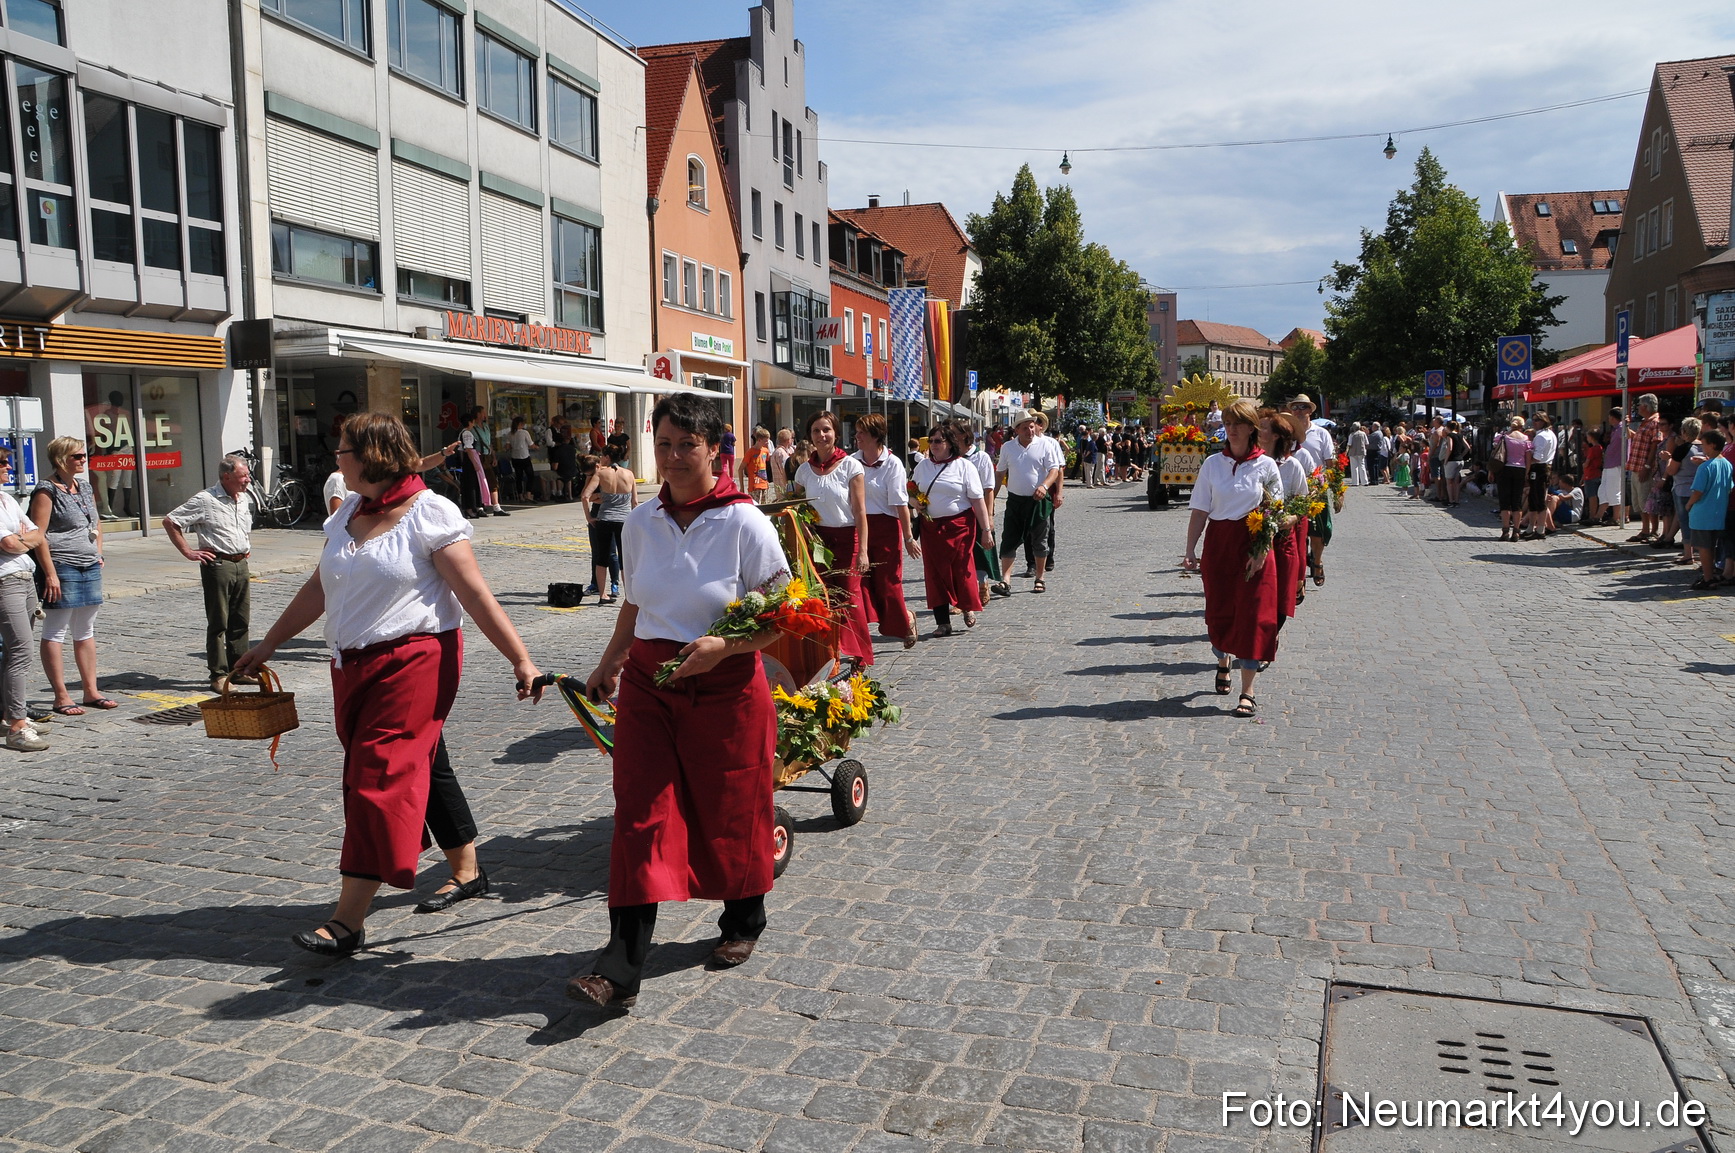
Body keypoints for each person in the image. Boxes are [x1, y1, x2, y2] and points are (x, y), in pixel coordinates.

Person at [230, 413, 544, 956]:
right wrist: (269, 643)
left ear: (372, 455)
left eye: (344, 449)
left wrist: (521, 659)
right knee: (420, 760)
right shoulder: (347, 512)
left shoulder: (429, 513)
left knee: (379, 777)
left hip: (414, 661)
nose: (337, 458)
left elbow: (474, 594)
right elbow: (320, 586)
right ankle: (467, 868)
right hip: (351, 668)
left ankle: (349, 919)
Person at [567, 393, 789, 1009]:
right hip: (650, 685)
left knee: (733, 808)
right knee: (641, 812)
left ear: (714, 448)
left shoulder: (746, 523)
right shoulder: (640, 522)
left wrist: (723, 645)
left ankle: (744, 920)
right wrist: (610, 663)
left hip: (726, 685)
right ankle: (619, 967)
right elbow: (634, 603)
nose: (671, 457)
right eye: (662, 444)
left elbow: (784, 618)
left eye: (685, 445)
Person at [1183, 400, 1282, 718]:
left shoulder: (1267, 466)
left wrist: (1262, 550)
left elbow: (1275, 513)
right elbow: (1200, 509)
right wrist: (1190, 549)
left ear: (1253, 428)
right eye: (1228, 422)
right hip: (1220, 546)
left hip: (1254, 547)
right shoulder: (1212, 464)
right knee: (1220, 613)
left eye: (1239, 422)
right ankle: (1223, 657)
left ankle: (1248, 691)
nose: (1233, 429)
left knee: (1254, 617)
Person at [29, 438, 115, 716]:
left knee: (85, 629)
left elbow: (96, 522)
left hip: (88, 563)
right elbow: (38, 535)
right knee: (56, 629)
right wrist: (50, 573)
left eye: (84, 454)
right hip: (62, 564)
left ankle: (91, 690)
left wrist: (98, 552)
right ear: (61, 459)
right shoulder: (45, 490)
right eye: (77, 455)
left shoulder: (85, 486)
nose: (83, 459)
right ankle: (61, 695)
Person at [164, 454, 256, 692]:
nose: (247, 480)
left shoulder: (243, 498)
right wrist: (189, 552)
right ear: (226, 477)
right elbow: (171, 521)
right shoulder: (205, 499)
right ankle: (218, 674)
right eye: (242, 476)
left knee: (241, 620)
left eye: (247, 475)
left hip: (241, 563)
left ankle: (239, 670)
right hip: (218, 565)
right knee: (219, 622)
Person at [794, 411, 874, 667]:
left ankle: (860, 655)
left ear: (836, 434)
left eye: (826, 430)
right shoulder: (804, 471)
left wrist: (863, 550)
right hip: (818, 543)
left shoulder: (851, 466)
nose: (821, 435)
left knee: (851, 598)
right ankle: (831, 654)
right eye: (816, 430)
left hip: (847, 538)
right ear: (810, 436)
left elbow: (860, 510)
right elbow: (795, 507)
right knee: (825, 599)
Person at [912, 422, 993, 638]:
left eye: (938, 441)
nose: (933, 445)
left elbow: (977, 501)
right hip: (931, 528)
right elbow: (908, 490)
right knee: (935, 573)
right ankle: (942, 622)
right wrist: (914, 502)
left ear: (949, 443)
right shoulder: (922, 467)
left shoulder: (964, 467)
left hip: (960, 527)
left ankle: (967, 607)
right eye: (931, 441)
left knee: (961, 568)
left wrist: (986, 529)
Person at [851, 414, 917, 649]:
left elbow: (901, 504)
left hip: (886, 528)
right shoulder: (852, 461)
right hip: (859, 527)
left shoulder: (892, 463)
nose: (856, 436)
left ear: (876, 436)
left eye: (861, 433)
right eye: (857, 432)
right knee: (861, 583)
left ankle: (905, 621)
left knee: (888, 582)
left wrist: (908, 537)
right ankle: (862, 633)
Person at [0, 448, 47, 750]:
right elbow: (9, 543)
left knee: (13, 653)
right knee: (20, 651)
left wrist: (23, 539)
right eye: (1, 462)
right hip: (5, 582)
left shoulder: (7, 499)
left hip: (25, 578)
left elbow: (37, 534)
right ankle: (17, 725)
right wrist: (21, 540)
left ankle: (7, 715)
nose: (7, 467)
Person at [997, 410, 1064, 594]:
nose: (1030, 431)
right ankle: (1005, 581)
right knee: (1009, 540)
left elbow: (1054, 470)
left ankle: (1040, 578)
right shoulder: (1008, 448)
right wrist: (991, 499)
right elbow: (1000, 474)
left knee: (1040, 541)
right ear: (1017, 430)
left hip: (1038, 501)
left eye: (1032, 426)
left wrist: (1045, 486)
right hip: (1015, 501)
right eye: (1025, 428)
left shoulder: (1045, 445)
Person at [1257, 409, 1309, 620]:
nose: (1257, 430)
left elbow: (1303, 499)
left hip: (1283, 534)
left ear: (1276, 435)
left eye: (1263, 427)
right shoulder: (1250, 463)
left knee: (1282, 589)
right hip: (1255, 533)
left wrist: (1293, 518)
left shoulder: (1292, 465)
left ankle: (1273, 630)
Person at [582, 440, 637, 606]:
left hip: (605, 519)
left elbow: (585, 496)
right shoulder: (629, 474)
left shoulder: (601, 474)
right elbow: (634, 502)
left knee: (602, 558)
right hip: (624, 521)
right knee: (625, 559)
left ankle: (603, 594)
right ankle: (630, 596)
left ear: (607, 457)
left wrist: (589, 518)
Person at [1287, 395, 1335, 585]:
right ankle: (1298, 571)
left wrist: (1336, 491)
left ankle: (1316, 561)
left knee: (1318, 531)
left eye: (1302, 407)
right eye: (1295, 407)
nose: (1298, 410)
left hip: (1316, 486)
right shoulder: (1287, 432)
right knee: (1297, 532)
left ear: (1310, 411)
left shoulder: (1321, 433)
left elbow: (1330, 463)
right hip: (1292, 488)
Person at [964, 432, 1010, 603]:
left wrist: (989, 515)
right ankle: (963, 594)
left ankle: (982, 584)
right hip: (959, 512)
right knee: (962, 553)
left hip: (978, 509)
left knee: (981, 550)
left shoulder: (980, 457)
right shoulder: (951, 457)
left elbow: (989, 488)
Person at [1685, 429, 1732, 590]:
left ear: (1712, 445)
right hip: (1718, 512)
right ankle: (1710, 575)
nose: (1702, 447)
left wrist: (1689, 504)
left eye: (1704, 444)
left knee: (1704, 547)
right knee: (1712, 546)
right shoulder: (1727, 464)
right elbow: (1730, 487)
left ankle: (1708, 577)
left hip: (1703, 513)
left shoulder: (1704, 467)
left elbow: (1698, 491)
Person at [1626, 394, 1664, 541]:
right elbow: (1639, 438)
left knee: (1648, 501)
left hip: (1645, 468)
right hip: (1636, 466)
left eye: (1639, 404)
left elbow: (1655, 444)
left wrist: (1647, 466)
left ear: (1646, 406)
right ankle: (1645, 529)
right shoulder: (1645, 422)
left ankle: (1653, 531)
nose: (1637, 407)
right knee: (1640, 502)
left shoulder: (1655, 422)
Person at [1492, 416, 1530, 542]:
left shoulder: (1503, 437)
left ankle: (1505, 530)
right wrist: (1526, 472)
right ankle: (1516, 532)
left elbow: (1495, 454)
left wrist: (1491, 471)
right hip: (1520, 470)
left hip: (1505, 469)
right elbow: (1528, 457)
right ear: (1522, 425)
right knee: (1517, 502)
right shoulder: (1526, 439)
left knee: (1505, 502)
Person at [1522, 414, 1557, 539]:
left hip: (1539, 468)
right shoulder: (1550, 434)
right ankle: (1530, 528)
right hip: (1543, 467)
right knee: (1533, 499)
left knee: (1539, 500)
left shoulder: (1541, 436)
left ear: (1544, 421)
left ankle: (1540, 530)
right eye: (1534, 420)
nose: (1534, 423)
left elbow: (1537, 457)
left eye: (1537, 420)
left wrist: (1526, 458)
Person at [1602, 407, 1627, 526]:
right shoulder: (1616, 429)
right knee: (1606, 490)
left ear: (1612, 417)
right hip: (1610, 463)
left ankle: (1616, 517)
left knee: (1614, 490)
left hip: (1616, 463)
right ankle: (1613, 516)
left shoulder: (1622, 428)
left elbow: (1627, 441)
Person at [506, 416, 537, 502]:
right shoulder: (524, 433)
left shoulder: (510, 433)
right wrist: (536, 447)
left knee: (519, 477)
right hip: (524, 457)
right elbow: (531, 445)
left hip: (515, 458)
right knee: (530, 475)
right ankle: (528, 494)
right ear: (520, 424)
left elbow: (507, 446)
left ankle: (520, 496)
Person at [742, 426, 773, 505]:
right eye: (765, 441)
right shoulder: (750, 452)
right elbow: (740, 468)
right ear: (759, 440)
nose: (767, 443)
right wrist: (742, 486)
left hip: (764, 484)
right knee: (755, 507)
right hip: (754, 486)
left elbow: (766, 464)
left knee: (765, 507)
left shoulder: (765, 451)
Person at [1582, 427, 1605, 524]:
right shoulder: (1600, 448)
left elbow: (1587, 463)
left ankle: (1592, 516)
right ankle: (1596, 515)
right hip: (1597, 473)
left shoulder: (1592, 449)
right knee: (1597, 496)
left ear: (1591, 437)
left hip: (1590, 475)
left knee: (1592, 496)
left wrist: (1583, 465)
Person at [770, 428, 795, 498]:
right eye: (791, 438)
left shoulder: (776, 451)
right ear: (788, 440)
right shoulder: (781, 453)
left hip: (779, 488)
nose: (792, 440)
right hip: (784, 488)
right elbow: (785, 470)